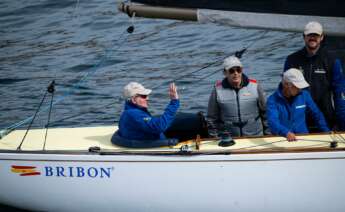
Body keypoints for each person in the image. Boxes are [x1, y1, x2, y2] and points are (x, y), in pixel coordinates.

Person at [284, 21, 344, 130]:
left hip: (326, 120)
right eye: (309, 35)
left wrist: (342, 124)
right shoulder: (292, 60)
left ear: (321, 37)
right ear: (304, 37)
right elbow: (284, 92)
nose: (312, 38)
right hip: (300, 120)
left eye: (316, 35)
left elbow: (339, 95)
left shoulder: (332, 61)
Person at [207, 56, 269, 137]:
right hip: (229, 139)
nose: (236, 73)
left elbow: (266, 113)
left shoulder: (255, 86)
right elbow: (212, 119)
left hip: (256, 137)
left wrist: (269, 135)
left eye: (238, 70)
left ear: (242, 70)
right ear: (225, 73)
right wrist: (214, 138)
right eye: (232, 71)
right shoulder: (217, 90)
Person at [267, 68, 330, 141]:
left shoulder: (305, 95)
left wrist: (326, 131)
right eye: (297, 86)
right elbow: (273, 122)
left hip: (303, 137)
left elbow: (317, 114)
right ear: (287, 85)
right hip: (282, 139)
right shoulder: (272, 100)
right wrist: (286, 133)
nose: (300, 89)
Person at [111, 82, 180, 148]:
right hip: (154, 150)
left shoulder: (128, 112)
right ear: (134, 100)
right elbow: (159, 127)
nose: (147, 98)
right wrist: (174, 102)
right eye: (144, 96)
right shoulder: (134, 114)